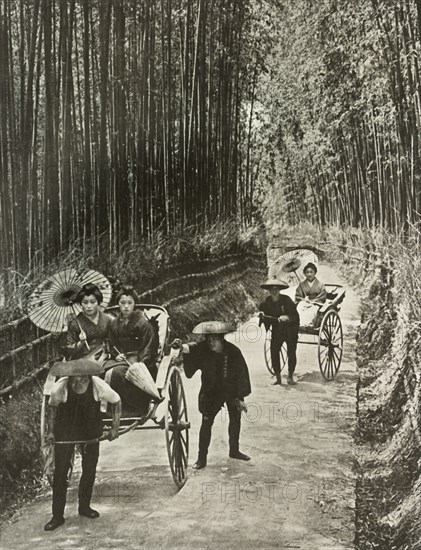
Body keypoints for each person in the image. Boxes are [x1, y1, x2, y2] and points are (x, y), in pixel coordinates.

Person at [44, 359, 121, 532]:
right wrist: (51, 431)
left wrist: (115, 427)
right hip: (66, 430)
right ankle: (57, 516)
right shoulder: (59, 387)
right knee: (60, 473)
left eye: (83, 380)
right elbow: (52, 409)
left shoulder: (98, 385)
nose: (78, 383)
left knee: (89, 469)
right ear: (69, 379)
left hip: (90, 430)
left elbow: (116, 401)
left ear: (89, 377)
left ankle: (84, 507)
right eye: (74, 380)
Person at [171, 321, 251, 470]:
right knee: (206, 423)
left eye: (214, 338)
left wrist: (240, 398)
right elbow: (190, 348)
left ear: (222, 338)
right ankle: (202, 458)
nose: (211, 342)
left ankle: (234, 450)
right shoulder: (203, 348)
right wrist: (180, 346)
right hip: (211, 391)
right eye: (208, 338)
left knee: (235, 419)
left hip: (231, 390)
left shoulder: (233, 352)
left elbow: (242, 375)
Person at [106, 285, 158, 414]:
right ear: (118, 304)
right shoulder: (114, 323)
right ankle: (111, 407)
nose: (126, 306)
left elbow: (148, 346)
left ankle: (132, 407)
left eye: (130, 303)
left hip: (139, 359)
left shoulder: (143, 323)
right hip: (120, 359)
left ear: (135, 304)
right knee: (103, 371)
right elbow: (112, 344)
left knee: (118, 373)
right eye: (122, 303)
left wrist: (140, 364)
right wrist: (115, 355)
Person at [259, 277, 300, 385]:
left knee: (291, 352)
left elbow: (295, 316)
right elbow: (262, 311)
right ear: (269, 290)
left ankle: (290, 376)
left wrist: (287, 317)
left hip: (290, 329)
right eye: (272, 289)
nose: (274, 291)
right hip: (277, 330)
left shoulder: (287, 300)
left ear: (280, 290)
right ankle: (278, 377)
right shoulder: (266, 301)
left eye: (276, 289)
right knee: (274, 351)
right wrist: (262, 315)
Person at [65, 283, 112, 359]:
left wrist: (109, 353)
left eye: (93, 302)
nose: (89, 306)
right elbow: (68, 350)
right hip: (83, 360)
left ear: (98, 302)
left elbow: (114, 340)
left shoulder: (107, 319)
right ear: (80, 303)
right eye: (85, 302)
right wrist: (81, 343)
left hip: (105, 356)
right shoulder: (75, 323)